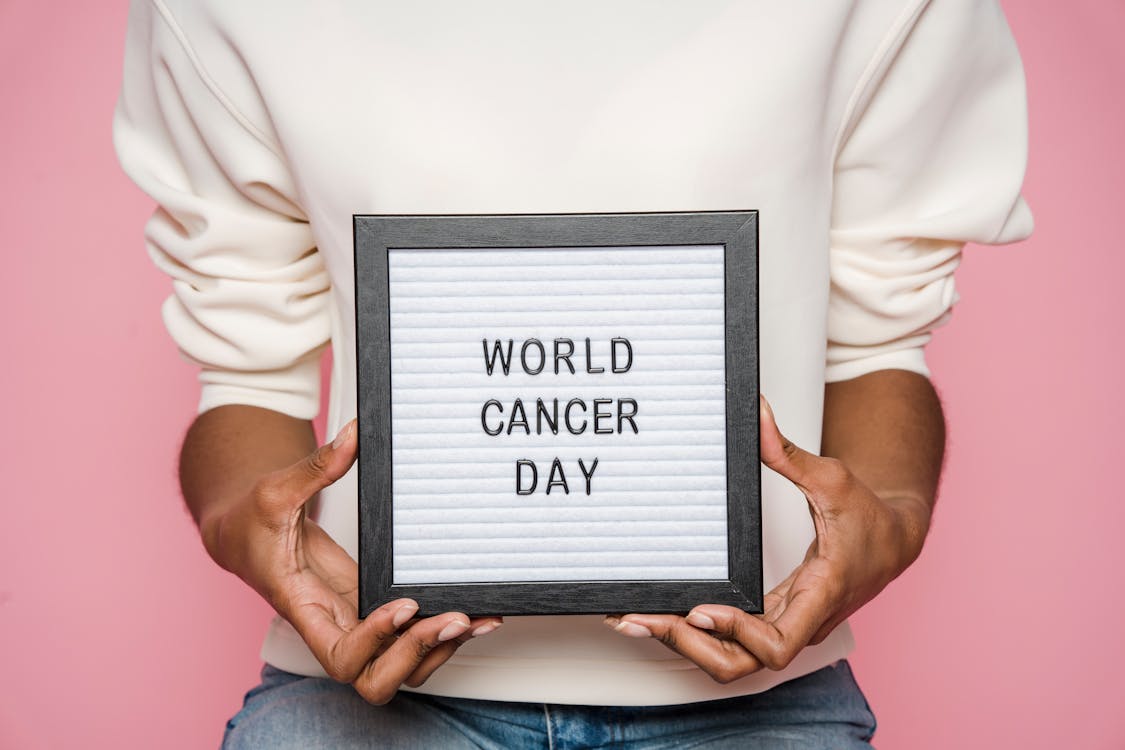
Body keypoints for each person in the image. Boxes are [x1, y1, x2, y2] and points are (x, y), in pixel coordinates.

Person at [114, 0, 1032, 746]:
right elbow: (247, 373)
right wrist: (247, 524)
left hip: (758, 700)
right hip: (364, 694)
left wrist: (893, 520)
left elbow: (876, 341)